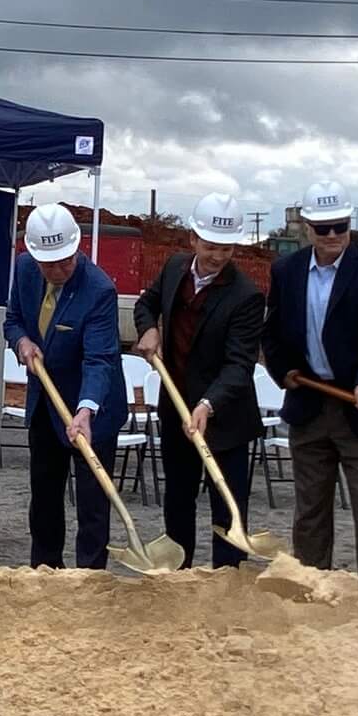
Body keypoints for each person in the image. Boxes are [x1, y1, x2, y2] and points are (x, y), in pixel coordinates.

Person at [263, 180, 358, 584]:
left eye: (339, 226)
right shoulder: (286, 270)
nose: (331, 236)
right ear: (306, 226)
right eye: (322, 228)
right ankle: (311, 587)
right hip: (309, 404)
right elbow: (273, 334)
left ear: (349, 223)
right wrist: (283, 370)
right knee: (310, 511)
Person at [132, 191, 264, 568]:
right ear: (193, 239)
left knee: (227, 507)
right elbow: (146, 304)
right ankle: (179, 575)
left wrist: (207, 404)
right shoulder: (174, 269)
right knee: (178, 498)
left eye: (227, 248)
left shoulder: (247, 297)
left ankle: (225, 586)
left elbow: (239, 365)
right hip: (176, 409)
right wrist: (148, 330)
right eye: (211, 246)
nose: (218, 256)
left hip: (225, 420)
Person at [5, 202, 130, 570]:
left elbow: (100, 358)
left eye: (67, 260)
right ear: (33, 255)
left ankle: (90, 579)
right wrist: (21, 342)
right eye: (50, 263)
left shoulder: (99, 289)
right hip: (46, 402)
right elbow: (13, 320)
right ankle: (45, 571)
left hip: (94, 408)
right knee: (44, 496)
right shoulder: (25, 269)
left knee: (92, 502)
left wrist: (86, 408)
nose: (59, 270)